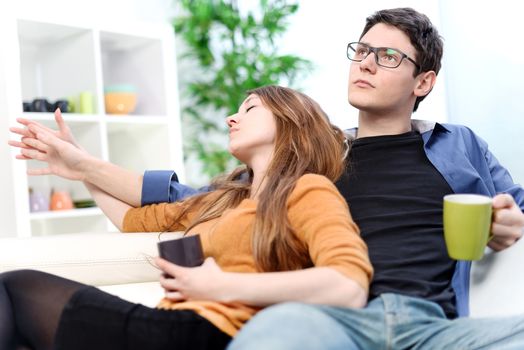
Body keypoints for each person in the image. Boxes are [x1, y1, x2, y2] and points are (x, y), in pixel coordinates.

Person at [9, 7, 524, 349]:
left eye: (387, 56)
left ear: (423, 81)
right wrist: (82, 166)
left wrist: (508, 222)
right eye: (361, 50)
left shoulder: (460, 144)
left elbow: (516, 206)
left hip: (433, 325)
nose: (365, 63)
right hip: (333, 320)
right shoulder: (317, 159)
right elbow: (202, 199)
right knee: (273, 331)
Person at [2, 85, 373, 350]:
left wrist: (223, 286)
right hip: (168, 324)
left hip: (205, 331)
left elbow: (348, 285)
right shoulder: (225, 203)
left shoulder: (307, 190)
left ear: (292, 121)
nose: (231, 117)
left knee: (15, 289)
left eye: (250, 108)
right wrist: (81, 173)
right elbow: (132, 220)